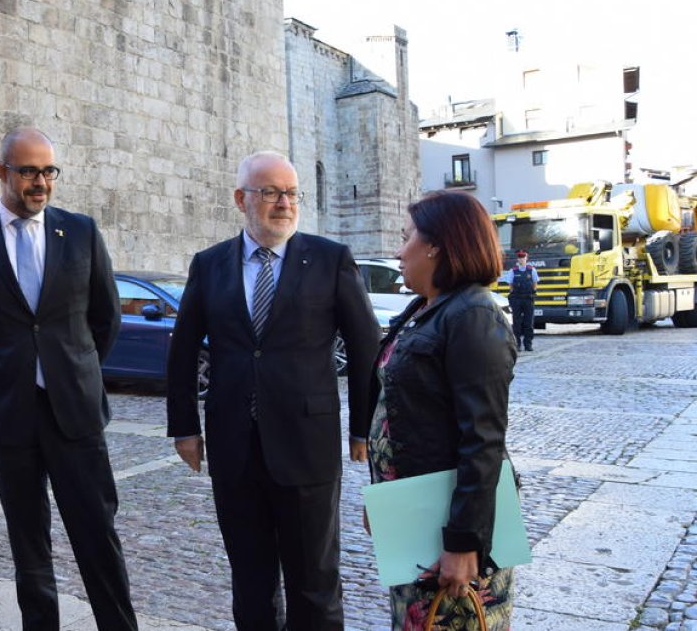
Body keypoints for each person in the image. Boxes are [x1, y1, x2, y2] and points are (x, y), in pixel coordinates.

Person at [166, 152, 377, 630]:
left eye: (291, 193)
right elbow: (182, 350)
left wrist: (362, 429)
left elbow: (367, 348)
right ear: (242, 199)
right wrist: (184, 427)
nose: (284, 203)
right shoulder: (209, 264)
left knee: (314, 581)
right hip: (234, 446)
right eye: (271, 192)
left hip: (307, 447)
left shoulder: (330, 259)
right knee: (251, 579)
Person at [0, 126, 137, 631]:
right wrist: (3, 376)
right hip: (11, 418)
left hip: (76, 412)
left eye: (49, 171)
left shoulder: (82, 232)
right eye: (29, 171)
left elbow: (104, 319)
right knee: (28, 543)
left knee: (98, 535)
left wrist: (73, 369)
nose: (41, 182)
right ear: (3, 172)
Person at [368, 190, 516, 629]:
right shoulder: (428, 308)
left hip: (451, 525)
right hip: (416, 512)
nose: (399, 250)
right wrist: (383, 495)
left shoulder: (473, 315)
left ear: (435, 244)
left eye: (407, 235)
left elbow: (483, 439)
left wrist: (464, 542)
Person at [497, 249, 538, 351]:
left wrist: (532, 292)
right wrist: (514, 293)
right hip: (517, 299)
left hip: (528, 299)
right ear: (517, 259)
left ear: (526, 258)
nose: (521, 259)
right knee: (516, 322)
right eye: (520, 257)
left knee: (528, 322)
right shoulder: (513, 271)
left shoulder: (531, 270)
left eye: (523, 257)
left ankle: (528, 344)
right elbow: (510, 284)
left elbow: (535, 283)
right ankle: (517, 344)